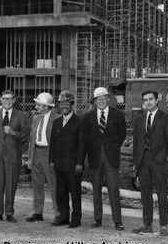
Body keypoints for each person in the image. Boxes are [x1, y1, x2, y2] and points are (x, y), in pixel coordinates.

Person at [132, 90, 168, 236]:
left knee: (162, 194)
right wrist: (136, 162)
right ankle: (147, 224)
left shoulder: (166, 118)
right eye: (145, 100)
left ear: (157, 100)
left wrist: (167, 157)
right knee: (145, 194)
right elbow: (137, 142)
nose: (148, 102)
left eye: (151, 99)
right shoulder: (139, 120)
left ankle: (164, 226)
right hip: (143, 160)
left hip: (159, 160)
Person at [83, 87, 126, 231]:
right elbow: (86, 138)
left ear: (108, 99)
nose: (101, 101)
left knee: (113, 188)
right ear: (94, 101)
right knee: (96, 189)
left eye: (103, 98)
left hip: (111, 157)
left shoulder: (117, 114)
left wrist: (112, 147)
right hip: (95, 157)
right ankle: (97, 218)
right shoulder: (88, 116)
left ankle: (117, 221)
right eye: (97, 99)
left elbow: (122, 134)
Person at [0, 90, 28, 223]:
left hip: (12, 156)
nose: (7, 101)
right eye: (5, 99)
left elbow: (25, 136)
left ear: (14, 100)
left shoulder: (21, 115)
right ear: (0, 99)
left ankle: (9, 213)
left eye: (10, 99)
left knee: (11, 185)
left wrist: (13, 132)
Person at [49, 90, 87, 228]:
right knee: (61, 193)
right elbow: (52, 143)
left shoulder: (79, 122)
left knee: (75, 193)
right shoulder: (57, 122)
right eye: (61, 103)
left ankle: (76, 219)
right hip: (59, 164)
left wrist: (79, 164)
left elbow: (82, 145)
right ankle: (63, 217)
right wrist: (51, 161)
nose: (64, 106)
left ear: (72, 104)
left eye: (67, 103)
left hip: (73, 166)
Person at [26, 92, 60, 223]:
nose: (36, 107)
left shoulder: (57, 119)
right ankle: (38, 212)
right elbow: (31, 139)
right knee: (37, 185)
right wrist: (30, 158)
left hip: (49, 154)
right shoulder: (36, 118)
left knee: (54, 185)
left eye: (39, 105)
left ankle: (58, 213)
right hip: (37, 154)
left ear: (46, 106)